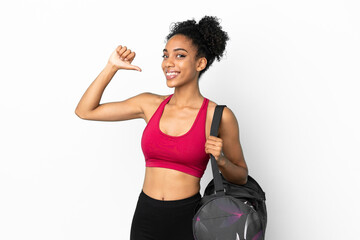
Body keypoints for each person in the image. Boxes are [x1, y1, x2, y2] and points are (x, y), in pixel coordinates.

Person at [75, 16, 248, 240]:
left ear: (200, 63)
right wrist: (111, 67)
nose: (168, 62)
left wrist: (222, 160)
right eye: (166, 55)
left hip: (188, 219)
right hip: (146, 216)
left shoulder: (218, 116)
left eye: (180, 55)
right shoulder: (149, 104)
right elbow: (85, 111)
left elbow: (241, 176)